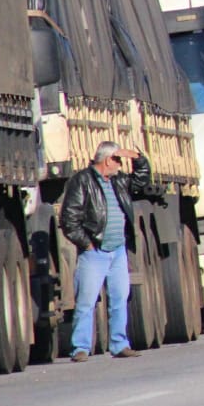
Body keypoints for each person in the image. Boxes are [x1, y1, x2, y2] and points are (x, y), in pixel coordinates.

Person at [60, 141, 152, 361]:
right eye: (118, 160)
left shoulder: (119, 181)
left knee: (120, 298)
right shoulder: (82, 181)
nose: (121, 165)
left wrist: (138, 157)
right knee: (86, 301)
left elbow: (141, 180)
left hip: (118, 250)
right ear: (108, 160)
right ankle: (80, 348)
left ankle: (119, 344)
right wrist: (87, 244)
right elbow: (69, 219)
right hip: (95, 251)